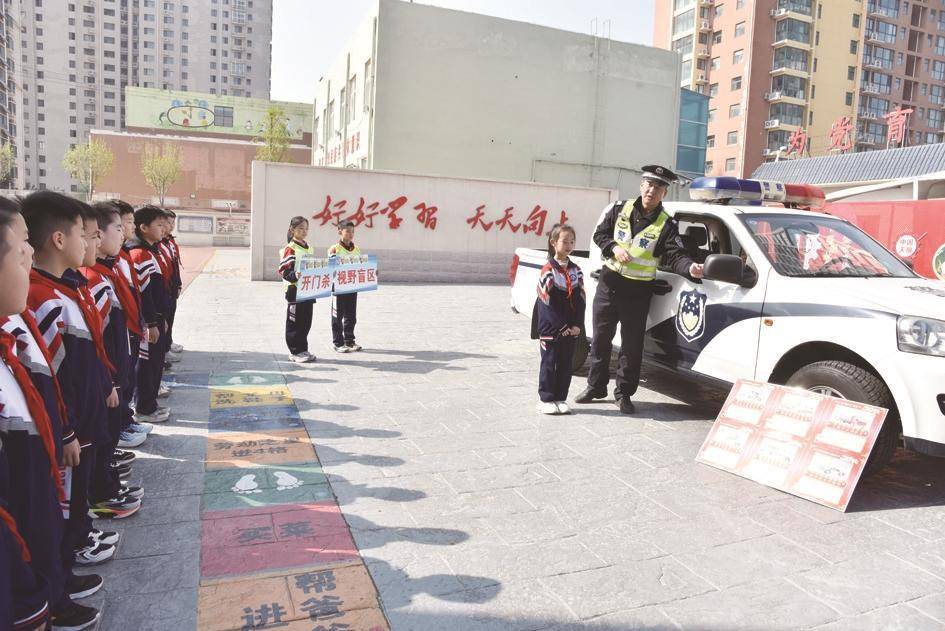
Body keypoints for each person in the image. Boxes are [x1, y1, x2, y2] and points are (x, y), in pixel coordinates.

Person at [0, 199, 98, 630]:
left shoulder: (20, 315)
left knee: (52, 521)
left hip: (50, 450)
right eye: (21, 244)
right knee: (41, 529)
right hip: (28, 484)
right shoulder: (41, 300)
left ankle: (55, 588)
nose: (28, 253)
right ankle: (46, 600)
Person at [574, 165, 702, 414]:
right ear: (642, 185)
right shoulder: (618, 209)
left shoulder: (666, 224)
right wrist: (613, 247)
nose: (651, 190)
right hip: (609, 284)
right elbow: (600, 234)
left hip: (637, 292)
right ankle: (595, 387)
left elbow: (675, 255)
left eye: (658, 187)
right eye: (649, 184)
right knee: (600, 340)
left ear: (664, 193)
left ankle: (623, 393)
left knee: (631, 346)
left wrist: (690, 268)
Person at [80, 204, 144, 519]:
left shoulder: (107, 271)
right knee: (100, 436)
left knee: (107, 434)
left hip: (116, 370)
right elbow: (96, 341)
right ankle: (101, 494)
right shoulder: (91, 279)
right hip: (105, 378)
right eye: (117, 227)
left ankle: (106, 484)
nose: (123, 233)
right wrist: (109, 380)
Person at [124, 206, 172, 424]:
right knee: (147, 364)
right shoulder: (140, 254)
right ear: (143, 228)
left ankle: (150, 403)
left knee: (155, 361)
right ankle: (144, 407)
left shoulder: (152, 250)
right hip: (149, 320)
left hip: (158, 316)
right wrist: (151, 322)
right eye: (159, 225)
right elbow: (144, 294)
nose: (164, 229)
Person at [535, 224, 585, 415]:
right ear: (553, 243)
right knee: (549, 363)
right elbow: (545, 303)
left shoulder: (576, 271)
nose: (569, 245)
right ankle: (545, 399)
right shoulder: (548, 270)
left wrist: (577, 325)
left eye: (572, 241)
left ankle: (560, 398)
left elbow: (581, 300)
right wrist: (561, 326)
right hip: (551, 328)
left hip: (570, 329)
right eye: (565, 241)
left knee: (565, 364)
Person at [278, 216, 316, 363]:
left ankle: (303, 349)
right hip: (294, 290)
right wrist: (295, 275)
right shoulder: (290, 249)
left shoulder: (309, 247)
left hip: (308, 289)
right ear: (292, 230)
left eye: (306, 229)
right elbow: (284, 270)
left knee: (306, 321)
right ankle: (294, 352)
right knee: (294, 322)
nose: (304, 231)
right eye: (300, 228)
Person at [327, 220, 362, 353]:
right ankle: (338, 342)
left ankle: (349, 340)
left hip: (352, 287)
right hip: (338, 288)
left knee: (351, 316)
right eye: (347, 231)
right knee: (337, 316)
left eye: (352, 231)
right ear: (340, 231)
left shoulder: (357, 249)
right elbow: (331, 267)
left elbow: (361, 267)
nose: (351, 234)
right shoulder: (334, 249)